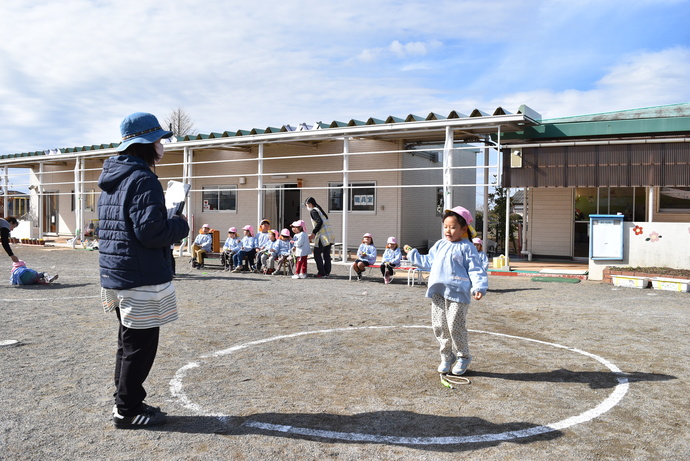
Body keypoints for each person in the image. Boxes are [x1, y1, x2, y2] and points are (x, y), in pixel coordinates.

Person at [98, 112, 189, 429]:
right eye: (160, 139)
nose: (163, 145)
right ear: (147, 143)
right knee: (140, 346)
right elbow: (150, 232)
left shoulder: (113, 177)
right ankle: (126, 410)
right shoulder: (143, 178)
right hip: (139, 275)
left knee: (127, 343)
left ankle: (127, 402)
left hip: (115, 272)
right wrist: (179, 224)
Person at [404, 206, 487, 376]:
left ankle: (463, 356)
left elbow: (476, 269)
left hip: (458, 293)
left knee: (455, 326)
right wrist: (413, 254)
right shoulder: (440, 244)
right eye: (446, 226)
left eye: (453, 227)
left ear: (464, 229)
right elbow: (428, 261)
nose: (448, 230)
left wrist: (479, 286)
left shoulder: (467, 247)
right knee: (439, 326)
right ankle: (446, 357)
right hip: (438, 291)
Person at [305, 197, 335, 278]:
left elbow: (319, 222)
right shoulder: (320, 210)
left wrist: (313, 233)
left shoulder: (313, 211)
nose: (307, 207)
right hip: (329, 235)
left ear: (310, 204)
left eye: (307, 205)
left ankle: (321, 272)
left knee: (317, 253)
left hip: (322, 236)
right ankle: (326, 271)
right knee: (326, 255)